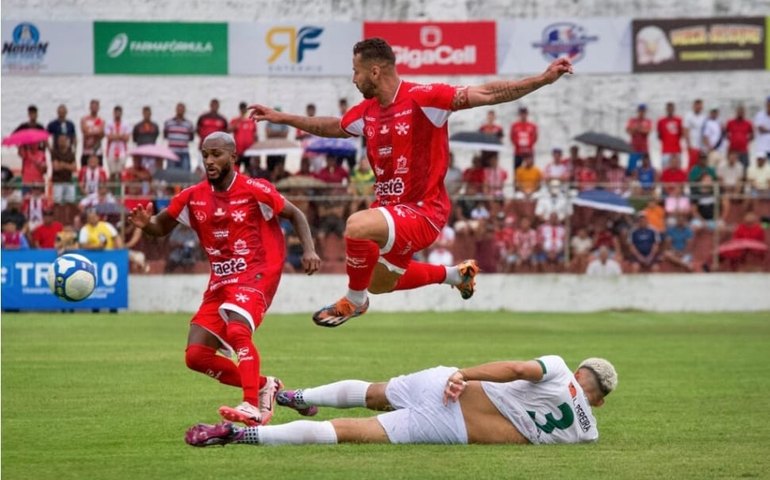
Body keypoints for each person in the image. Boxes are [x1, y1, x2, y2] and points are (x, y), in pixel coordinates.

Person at [248, 37, 573, 327]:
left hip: (423, 211)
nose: (353, 78)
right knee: (378, 282)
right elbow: (332, 126)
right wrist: (283, 117)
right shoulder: (367, 111)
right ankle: (456, 275)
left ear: (375, 72)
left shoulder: (424, 98)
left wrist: (543, 80)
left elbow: (487, 93)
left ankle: (354, 302)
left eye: (356, 71)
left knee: (357, 226)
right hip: (391, 213)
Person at [127, 132, 321, 427]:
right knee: (196, 355)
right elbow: (160, 227)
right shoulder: (192, 197)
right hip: (220, 281)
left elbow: (296, 215)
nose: (209, 161)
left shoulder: (255, 189)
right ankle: (264, 385)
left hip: (257, 272)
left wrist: (309, 249)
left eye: (216, 154)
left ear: (233, 157)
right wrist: (147, 225)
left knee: (236, 326)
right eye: (205, 155)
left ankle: (252, 406)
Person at [185, 355, 617, 447]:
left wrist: (464, 373)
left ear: (580, 373)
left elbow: (521, 370)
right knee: (349, 433)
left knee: (375, 392)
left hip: (451, 385)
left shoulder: (560, 368)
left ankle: (295, 394)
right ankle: (239, 435)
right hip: (454, 431)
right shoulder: (587, 433)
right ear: (598, 402)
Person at [164, 102, 195, 172]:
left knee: (185, 173)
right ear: (176, 110)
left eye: (182, 109)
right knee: (171, 173)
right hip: (172, 153)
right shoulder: (168, 123)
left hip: (184, 152)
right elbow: (165, 135)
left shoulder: (189, 124)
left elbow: (191, 138)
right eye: (179, 109)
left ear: (184, 110)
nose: (180, 111)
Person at [105, 105, 131, 180]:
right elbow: (109, 137)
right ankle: (111, 191)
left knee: (121, 173)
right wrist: (121, 136)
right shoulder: (109, 124)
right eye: (116, 112)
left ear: (121, 113)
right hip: (111, 151)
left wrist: (115, 136)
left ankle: (120, 190)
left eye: (119, 112)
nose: (117, 114)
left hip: (122, 151)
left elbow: (127, 138)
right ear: (113, 113)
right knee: (112, 173)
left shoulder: (126, 124)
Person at [230, 101, 258, 170]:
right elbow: (228, 130)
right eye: (241, 108)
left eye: (244, 108)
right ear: (240, 109)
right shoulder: (235, 120)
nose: (243, 110)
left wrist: (256, 149)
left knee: (248, 169)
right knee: (236, 168)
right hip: (238, 151)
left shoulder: (251, 120)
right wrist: (237, 123)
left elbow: (255, 135)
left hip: (249, 151)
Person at [724, 105, 754, 170]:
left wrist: (746, 140)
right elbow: (725, 132)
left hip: (743, 150)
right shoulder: (730, 122)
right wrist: (730, 139)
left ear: (744, 113)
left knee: (744, 168)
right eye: (739, 112)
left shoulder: (748, 123)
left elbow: (752, 134)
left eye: (742, 112)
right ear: (736, 112)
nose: (740, 113)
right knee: (731, 168)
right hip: (732, 150)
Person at [625, 103, 651, 174]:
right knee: (631, 169)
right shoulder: (632, 120)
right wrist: (639, 129)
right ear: (638, 111)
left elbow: (647, 132)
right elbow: (629, 131)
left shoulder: (648, 121)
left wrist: (636, 128)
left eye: (643, 111)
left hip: (644, 149)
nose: (642, 112)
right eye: (640, 110)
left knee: (647, 168)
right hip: (633, 148)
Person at [656, 101, 683, 169]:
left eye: (671, 108)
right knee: (665, 171)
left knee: (677, 171)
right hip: (665, 151)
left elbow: (681, 135)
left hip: (676, 150)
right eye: (668, 108)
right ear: (666, 109)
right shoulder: (661, 121)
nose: (670, 110)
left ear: (674, 109)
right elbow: (659, 136)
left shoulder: (679, 120)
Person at [80, 99, 105, 166]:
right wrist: (95, 132)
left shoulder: (101, 120)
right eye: (92, 106)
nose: (94, 108)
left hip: (97, 151)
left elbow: (101, 134)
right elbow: (85, 133)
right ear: (90, 107)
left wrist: (90, 131)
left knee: (99, 170)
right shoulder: (84, 119)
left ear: (98, 108)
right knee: (85, 170)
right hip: (86, 151)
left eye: (96, 107)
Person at [683, 99, 706, 170]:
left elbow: (705, 132)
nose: (698, 107)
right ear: (693, 106)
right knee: (692, 165)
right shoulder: (688, 116)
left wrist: (705, 146)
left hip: (701, 146)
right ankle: (689, 179)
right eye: (697, 105)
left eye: (700, 105)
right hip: (692, 145)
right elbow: (685, 131)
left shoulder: (704, 117)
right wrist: (688, 145)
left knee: (701, 164)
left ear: (702, 106)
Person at [753, 96, 770, 161]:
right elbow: (761, 129)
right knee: (761, 169)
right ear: (766, 104)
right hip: (762, 148)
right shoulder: (760, 115)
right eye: (768, 104)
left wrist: (767, 129)